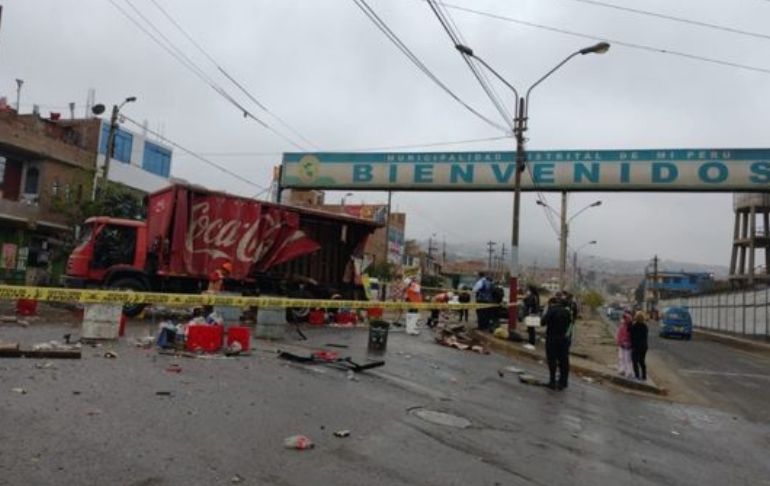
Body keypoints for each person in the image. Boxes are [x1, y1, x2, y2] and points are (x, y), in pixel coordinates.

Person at [540, 296, 572, 390]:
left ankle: (552, 381)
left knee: (552, 360)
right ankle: (563, 382)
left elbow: (543, 322)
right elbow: (569, 324)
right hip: (563, 339)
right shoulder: (567, 312)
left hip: (552, 338)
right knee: (563, 360)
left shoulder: (552, 310)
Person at [630, 311, 649, 381]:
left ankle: (637, 375)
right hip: (644, 346)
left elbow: (631, 335)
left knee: (635, 361)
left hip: (636, 346)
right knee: (642, 361)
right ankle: (644, 376)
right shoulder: (645, 326)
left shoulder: (634, 326)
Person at [616, 310, 633, 378]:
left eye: (626, 318)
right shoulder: (622, 326)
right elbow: (619, 334)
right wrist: (619, 342)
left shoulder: (631, 327)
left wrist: (629, 343)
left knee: (627, 359)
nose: (625, 319)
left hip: (628, 345)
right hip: (622, 344)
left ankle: (628, 372)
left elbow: (632, 337)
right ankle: (622, 370)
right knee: (621, 358)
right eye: (624, 318)